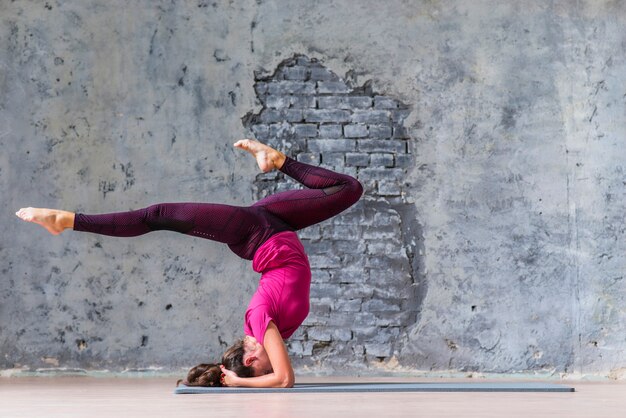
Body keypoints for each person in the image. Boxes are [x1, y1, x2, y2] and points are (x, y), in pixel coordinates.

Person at [16, 139, 363, 388]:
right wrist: (235, 380)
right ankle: (276, 159)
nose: (274, 364)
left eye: (261, 371)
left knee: (158, 216)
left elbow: (284, 380)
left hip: (257, 233)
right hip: (277, 227)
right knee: (349, 188)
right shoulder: (275, 333)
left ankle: (66, 220)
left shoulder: (260, 324)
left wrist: (241, 385)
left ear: (251, 360)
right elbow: (281, 375)